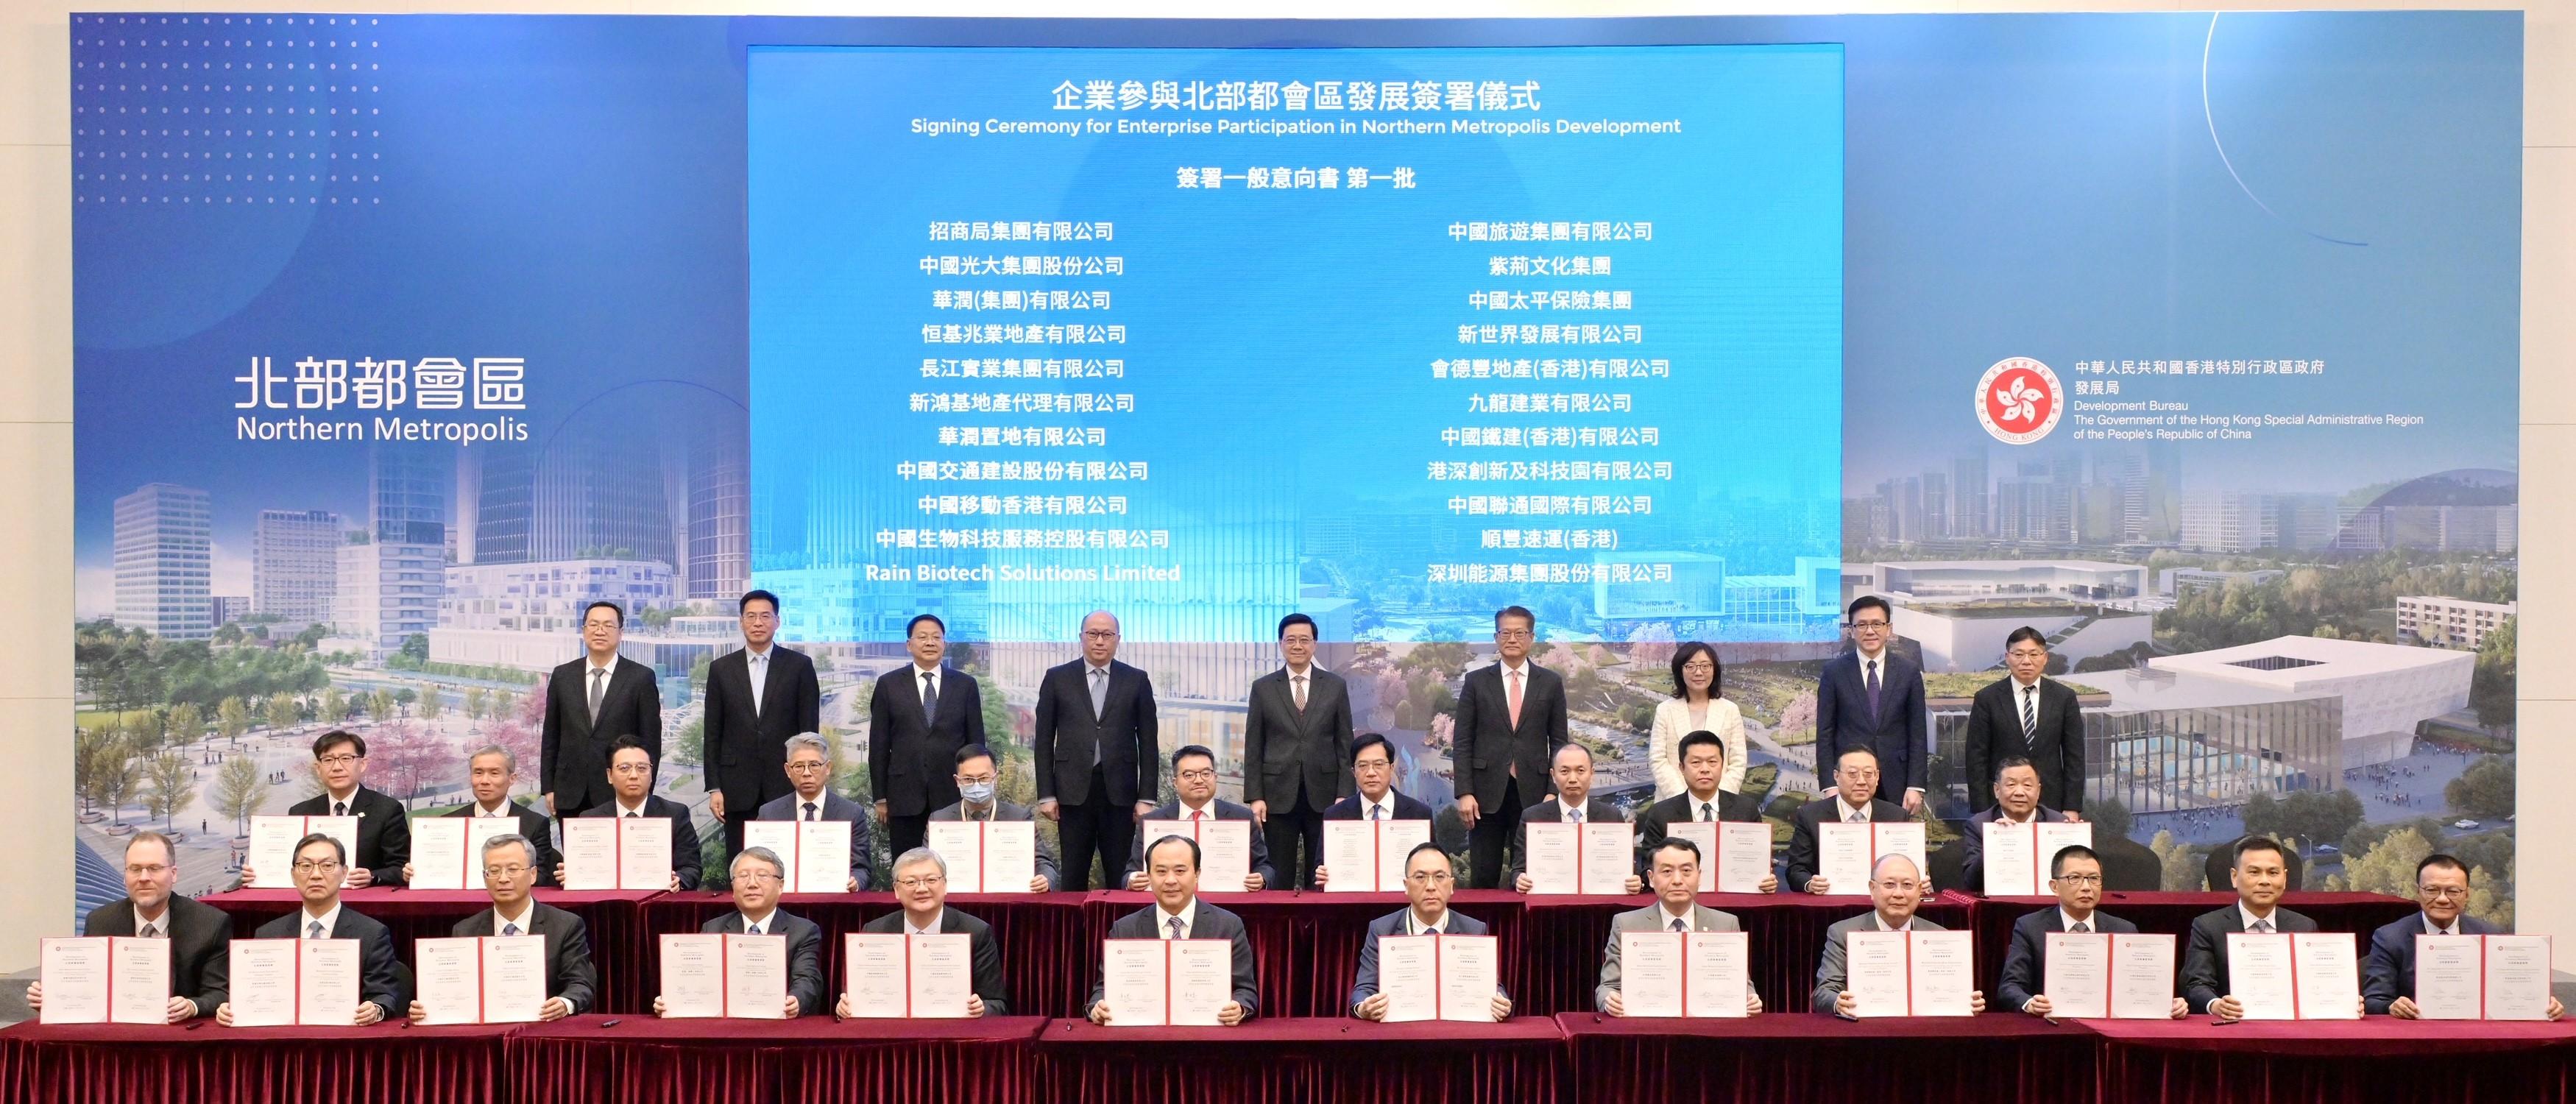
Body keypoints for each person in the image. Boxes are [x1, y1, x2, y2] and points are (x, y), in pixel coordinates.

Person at [204, 833, 403, 1026]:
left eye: (327, 866)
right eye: (306, 866)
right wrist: (233, 1009)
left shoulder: (372, 933)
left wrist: (375, 1009)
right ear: (293, 875)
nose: (316, 875)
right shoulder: (268, 934)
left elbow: (385, 994)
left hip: (344, 1040)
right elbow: (253, 995)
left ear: (344, 873)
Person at [26, 832, 225, 1022]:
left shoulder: (209, 923)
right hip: (115, 1038)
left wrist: (191, 1006)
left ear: (173, 874)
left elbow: (220, 993)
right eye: (135, 869)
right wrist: (53, 1000)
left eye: (154, 868)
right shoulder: (100, 921)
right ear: (125, 876)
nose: (144, 878)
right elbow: (89, 990)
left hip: (178, 1038)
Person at [1033, 610, 1158, 891]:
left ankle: (1119, 931)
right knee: (1074, 874)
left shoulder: (1136, 679)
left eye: (1107, 635)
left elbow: (1149, 742)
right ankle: (1074, 934)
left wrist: (1146, 797)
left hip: (1121, 793)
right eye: (1093, 634)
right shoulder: (1057, 678)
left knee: (1121, 873)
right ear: (1081, 637)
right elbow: (1042, 740)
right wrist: (1046, 794)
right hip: (1071, 792)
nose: (1100, 641)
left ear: (1118, 640)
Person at [411, 833, 594, 1022]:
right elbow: (456, 990)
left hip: (543, 1029)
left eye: (513, 869)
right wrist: (429, 1007)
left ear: (533, 875)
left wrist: (565, 1003)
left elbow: (580, 983)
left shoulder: (566, 925)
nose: (503, 878)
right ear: (485, 878)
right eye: (494, 871)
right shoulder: (465, 930)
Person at [1087, 834, 1259, 1026]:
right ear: (1149, 876)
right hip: (1142, 1037)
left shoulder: (1227, 925)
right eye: (1161, 871)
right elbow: (1103, 989)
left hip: (1207, 1036)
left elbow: (1246, 990)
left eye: (1180, 871)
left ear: (1197, 874)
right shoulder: (1125, 929)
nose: (1170, 880)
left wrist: (1239, 1007)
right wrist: (1097, 1007)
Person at [1998, 844, 2184, 1020]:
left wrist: (2167, 1003)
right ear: (2055, 887)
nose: (2086, 887)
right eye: (2075, 878)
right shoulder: (2030, 927)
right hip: (2052, 1024)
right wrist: (2030, 1003)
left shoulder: (2123, 930)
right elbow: (2010, 987)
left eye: (2094, 879)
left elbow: (2139, 988)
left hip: (2108, 1027)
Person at [2365, 854, 2562, 1019]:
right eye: (2432, 890)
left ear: (2466, 894)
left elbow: (2509, 993)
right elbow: (2375, 1000)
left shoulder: (2490, 935)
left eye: (2453, 891)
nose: (2442, 899)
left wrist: (2541, 1004)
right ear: (2419, 892)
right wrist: (2392, 1007)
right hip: (2417, 1035)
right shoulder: (2390, 938)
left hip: (2479, 1036)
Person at [1454, 606, 1570, 888]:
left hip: (1535, 792)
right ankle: (1485, 931)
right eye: (1505, 633)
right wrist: (1465, 792)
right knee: (1483, 876)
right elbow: (1462, 740)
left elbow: (1559, 742)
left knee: (1533, 876)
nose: (1512, 639)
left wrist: (1553, 791)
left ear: (1531, 637)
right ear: (1496, 637)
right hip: (1484, 795)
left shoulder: (1551, 683)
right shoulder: (1476, 681)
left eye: (1520, 633)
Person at [704, 589, 821, 857]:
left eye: (765, 616)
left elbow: (809, 733)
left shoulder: (799, 666)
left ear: (777, 622)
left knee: (788, 859)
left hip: (785, 783)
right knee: (739, 862)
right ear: (741, 622)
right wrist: (714, 787)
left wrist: (807, 778)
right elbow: (712, 733)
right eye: (751, 616)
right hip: (736, 786)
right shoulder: (721, 669)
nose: (758, 623)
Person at [1243, 612, 1354, 891]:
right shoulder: (1263, 688)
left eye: (1304, 640)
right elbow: (1254, 745)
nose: (1297, 646)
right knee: (1278, 872)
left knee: (1320, 874)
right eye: (1290, 639)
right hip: (1277, 795)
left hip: (1326, 795)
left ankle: (1318, 930)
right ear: (1281, 644)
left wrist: (1344, 793)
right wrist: (1255, 796)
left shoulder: (1335, 686)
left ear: (1314, 644)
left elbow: (1344, 745)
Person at [1596, 838, 1763, 1016]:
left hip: (1708, 1023)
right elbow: (1608, 986)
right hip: (1649, 1024)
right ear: (1651, 879)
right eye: (1667, 871)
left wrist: (1750, 998)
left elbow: (1741, 984)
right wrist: (1609, 1000)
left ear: (1699, 876)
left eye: (1686, 871)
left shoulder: (1726, 923)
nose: (1677, 880)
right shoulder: (1626, 924)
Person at [1348, 843, 1511, 1022]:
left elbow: (1493, 987)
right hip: (1400, 1033)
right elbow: (1363, 990)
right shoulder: (1381, 929)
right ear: (1406, 885)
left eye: (1440, 877)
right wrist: (1363, 1007)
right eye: (1420, 877)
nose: (1431, 886)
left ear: (1451, 886)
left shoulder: (1474, 929)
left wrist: (1501, 1000)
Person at [868, 613, 985, 858]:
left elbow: (976, 744)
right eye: (922, 637)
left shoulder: (965, 685)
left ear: (945, 643)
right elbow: (879, 745)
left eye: (936, 637)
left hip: (952, 793)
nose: (930, 642)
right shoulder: (888, 685)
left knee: (955, 862)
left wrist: (976, 788)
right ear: (909, 645)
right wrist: (880, 796)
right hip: (903, 794)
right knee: (907, 864)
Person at [657, 848, 822, 1017]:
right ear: (733, 888)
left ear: (780, 886)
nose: (752, 883)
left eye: (762, 875)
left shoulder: (803, 931)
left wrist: (796, 1000)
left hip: (779, 1023)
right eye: (743, 876)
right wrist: (671, 1000)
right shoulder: (713, 929)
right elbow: (699, 981)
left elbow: (807, 979)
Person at [1814, 853, 1983, 1018]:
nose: (1899, 894)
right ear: (1872, 889)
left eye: (1908, 885)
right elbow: (1823, 992)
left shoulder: (1940, 937)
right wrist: (1838, 1003)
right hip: (1865, 1032)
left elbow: (1951, 993)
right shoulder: (1843, 933)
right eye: (1889, 884)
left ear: (1919, 891)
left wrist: (1966, 1003)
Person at [849, 848, 1011, 1016]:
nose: (921, 889)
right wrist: (847, 1006)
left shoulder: (976, 931)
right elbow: (858, 996)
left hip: (952, 1032)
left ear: (945, 885)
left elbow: (997, 1004)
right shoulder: (875, 932)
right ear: (896, 889)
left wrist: (981, 1009)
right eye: (911, 882)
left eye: (931, 880)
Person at [2182, 836, 2330, 1019]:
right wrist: (2216, 1005)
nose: (2264, 881)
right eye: (2254, 872)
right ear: (2235, 877)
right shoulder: (2208, 926)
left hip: (2289, 1027)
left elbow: (2316, 984)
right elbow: (2197, 984)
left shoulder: (2305, 926)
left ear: (2284, 879)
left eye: (2273, 873)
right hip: (2232, 1026)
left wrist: (2341, 1001)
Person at [542, 600, 662, 820]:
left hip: (621, 791)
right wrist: (548, 786)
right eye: (594, 625)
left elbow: (651, 739)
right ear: (584, 630)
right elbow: (551, 735)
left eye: (608, 625)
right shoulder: (562, 676)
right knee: (576, 854)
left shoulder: (640, 678)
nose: (600, 631)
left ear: (620, 633)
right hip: (570, 792)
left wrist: (645, 790)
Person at [252, 729, 408, 887]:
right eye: (328, 760)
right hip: (311, 901)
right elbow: (289, 865)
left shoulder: (387, 810)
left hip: (364, 902)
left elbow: (402, 867)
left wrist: (373, 876)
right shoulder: (300, 812)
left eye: (346, 759)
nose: (337, 767)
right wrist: (259, 874)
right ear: (318, 768)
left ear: (362, 764)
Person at [1814, 596, 1928, 812]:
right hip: (1849, 782)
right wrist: (1830, 784)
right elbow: (1825, 733)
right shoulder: (1834, 672)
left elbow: (1918, 734)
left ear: (1889, 628)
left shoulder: (1908, 672)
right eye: (1862, 625)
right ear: (1851, 630)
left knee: (1894, 843)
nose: (1870, 631)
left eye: (1877, 624)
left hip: (1899, 781)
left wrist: (1916, 785)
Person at [1963, 627, 2086, 818]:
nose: (2026, 661)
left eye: (2033, 654)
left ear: (2045, 658)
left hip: (2052, 804)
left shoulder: (2064, 698)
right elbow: (1976, 758)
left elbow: (2074, 757)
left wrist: (2072, 807)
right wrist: (1983, 812)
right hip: (2000, 806)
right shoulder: (1987, 698)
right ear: (2007, 657)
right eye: (2019, 654)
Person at [1122, 745, 1275, 891]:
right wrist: (1133, 880)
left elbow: (1265, 866)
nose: (1199, 780)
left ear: (1215, 776)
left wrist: (1261, 878)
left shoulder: (1241, 817)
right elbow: (1130, 873)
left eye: (1206, 773)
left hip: (1228, 904)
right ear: (1175, 782)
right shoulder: (1152, 822)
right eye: (1189, 775)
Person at [405, 744, 559, 887]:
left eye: (494, 773)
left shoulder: (535, 824)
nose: (484, 781)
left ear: (512, 778)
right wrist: (414, 873)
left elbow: (540, 877)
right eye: (478, 773)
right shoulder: (448, 823)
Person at [561, 737, 703, 891]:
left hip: (658, 904)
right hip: (606, 906)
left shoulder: (675, 814)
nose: (634, 775)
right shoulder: (590, 819)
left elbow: (692, 868)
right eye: (624, 768)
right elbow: (582, 870)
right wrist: (572, 874)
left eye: (642, 768)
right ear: (610, 775)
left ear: (651, 773)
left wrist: (679, 880)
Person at [1634, 730, 1771, 888]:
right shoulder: (1661, 813)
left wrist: (1765, 880)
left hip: (1735, 900)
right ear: (1682, 768)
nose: (1705, 769)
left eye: (1712, 762)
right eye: (1696, 763)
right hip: (1681, 900)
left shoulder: (1747, 809)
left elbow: (1758, 862)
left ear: (1722, 765)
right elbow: (1647, 869)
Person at [1506, 743, 1640, 894]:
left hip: (1598, 903)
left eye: (1580, 771)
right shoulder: (1533, 817)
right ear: (1553, 775)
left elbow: (1628, 869)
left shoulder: (1611, 816)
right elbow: (1518, 869)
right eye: (1564, 771)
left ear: (1592, 774)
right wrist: (1520, 879)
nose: (1573, 779)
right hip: (1550, 903)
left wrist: (1635, 882)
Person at [927, 743, 1061, 892]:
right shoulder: (939, 820)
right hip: (954, 901)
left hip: (1007, 900)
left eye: (984, 778)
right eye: (968, 780)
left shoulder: (1018, 817)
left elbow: (1043, 863)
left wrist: (1045, 879)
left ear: (995, 778)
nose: (976, 785)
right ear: (957, 781)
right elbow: (924, 866)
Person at [753, 732, 875, 891]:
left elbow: (862, 868)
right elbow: (756, 865)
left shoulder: (851, 813)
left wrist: (856, 882)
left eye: (814, 765)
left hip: (832, 902)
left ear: (828, 768)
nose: (806, 773)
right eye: (798, 766)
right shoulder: (769, 814)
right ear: (788, 770)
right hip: (783, 901)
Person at [1313, 734, 1436, 888]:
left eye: (1379, 764)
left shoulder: (1419, 814)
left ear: (1391, 768)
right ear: (1353, 771)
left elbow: (1433, 863)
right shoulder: (1336, 815)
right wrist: (1321, 875)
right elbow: (1320, 867)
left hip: (1404, 903)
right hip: (1351, 904)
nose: (1371, 773)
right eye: (1363, 766)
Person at [1786, 747, 1911, 894]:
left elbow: (1908, 867)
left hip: (1881, 904)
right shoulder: (1810, 815)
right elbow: (1796, 870)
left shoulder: (1896, 816)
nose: (1861, 781)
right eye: (1852, 774)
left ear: (1877, 777)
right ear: (1836, 776)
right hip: (1829, 906)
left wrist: (1916, 880)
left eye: (1869, 774)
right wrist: (1810, 884)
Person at [1648, 643, 1744, 802]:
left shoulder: (1730, 710)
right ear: (1680, 671)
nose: (1699, 672)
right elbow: (1657, 760)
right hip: (1673, 803)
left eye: (1705, 666)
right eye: (1691, 666)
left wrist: (1717, 799)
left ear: (1714, 670)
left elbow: (1738, 761)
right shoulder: (1665, 710)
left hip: (1719, 806)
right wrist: (1684, 800)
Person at [1957, 757, 2063, 893]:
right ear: (1997, 790)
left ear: (2038, 791)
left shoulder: (2057, 823)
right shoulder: (1979, 825)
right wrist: (1995, 843)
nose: (2019, 792)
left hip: (2047, 904)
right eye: (2011, 785)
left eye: (2027, 786)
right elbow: (1971, 883)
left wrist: (2078, 841)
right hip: (2000, 906)